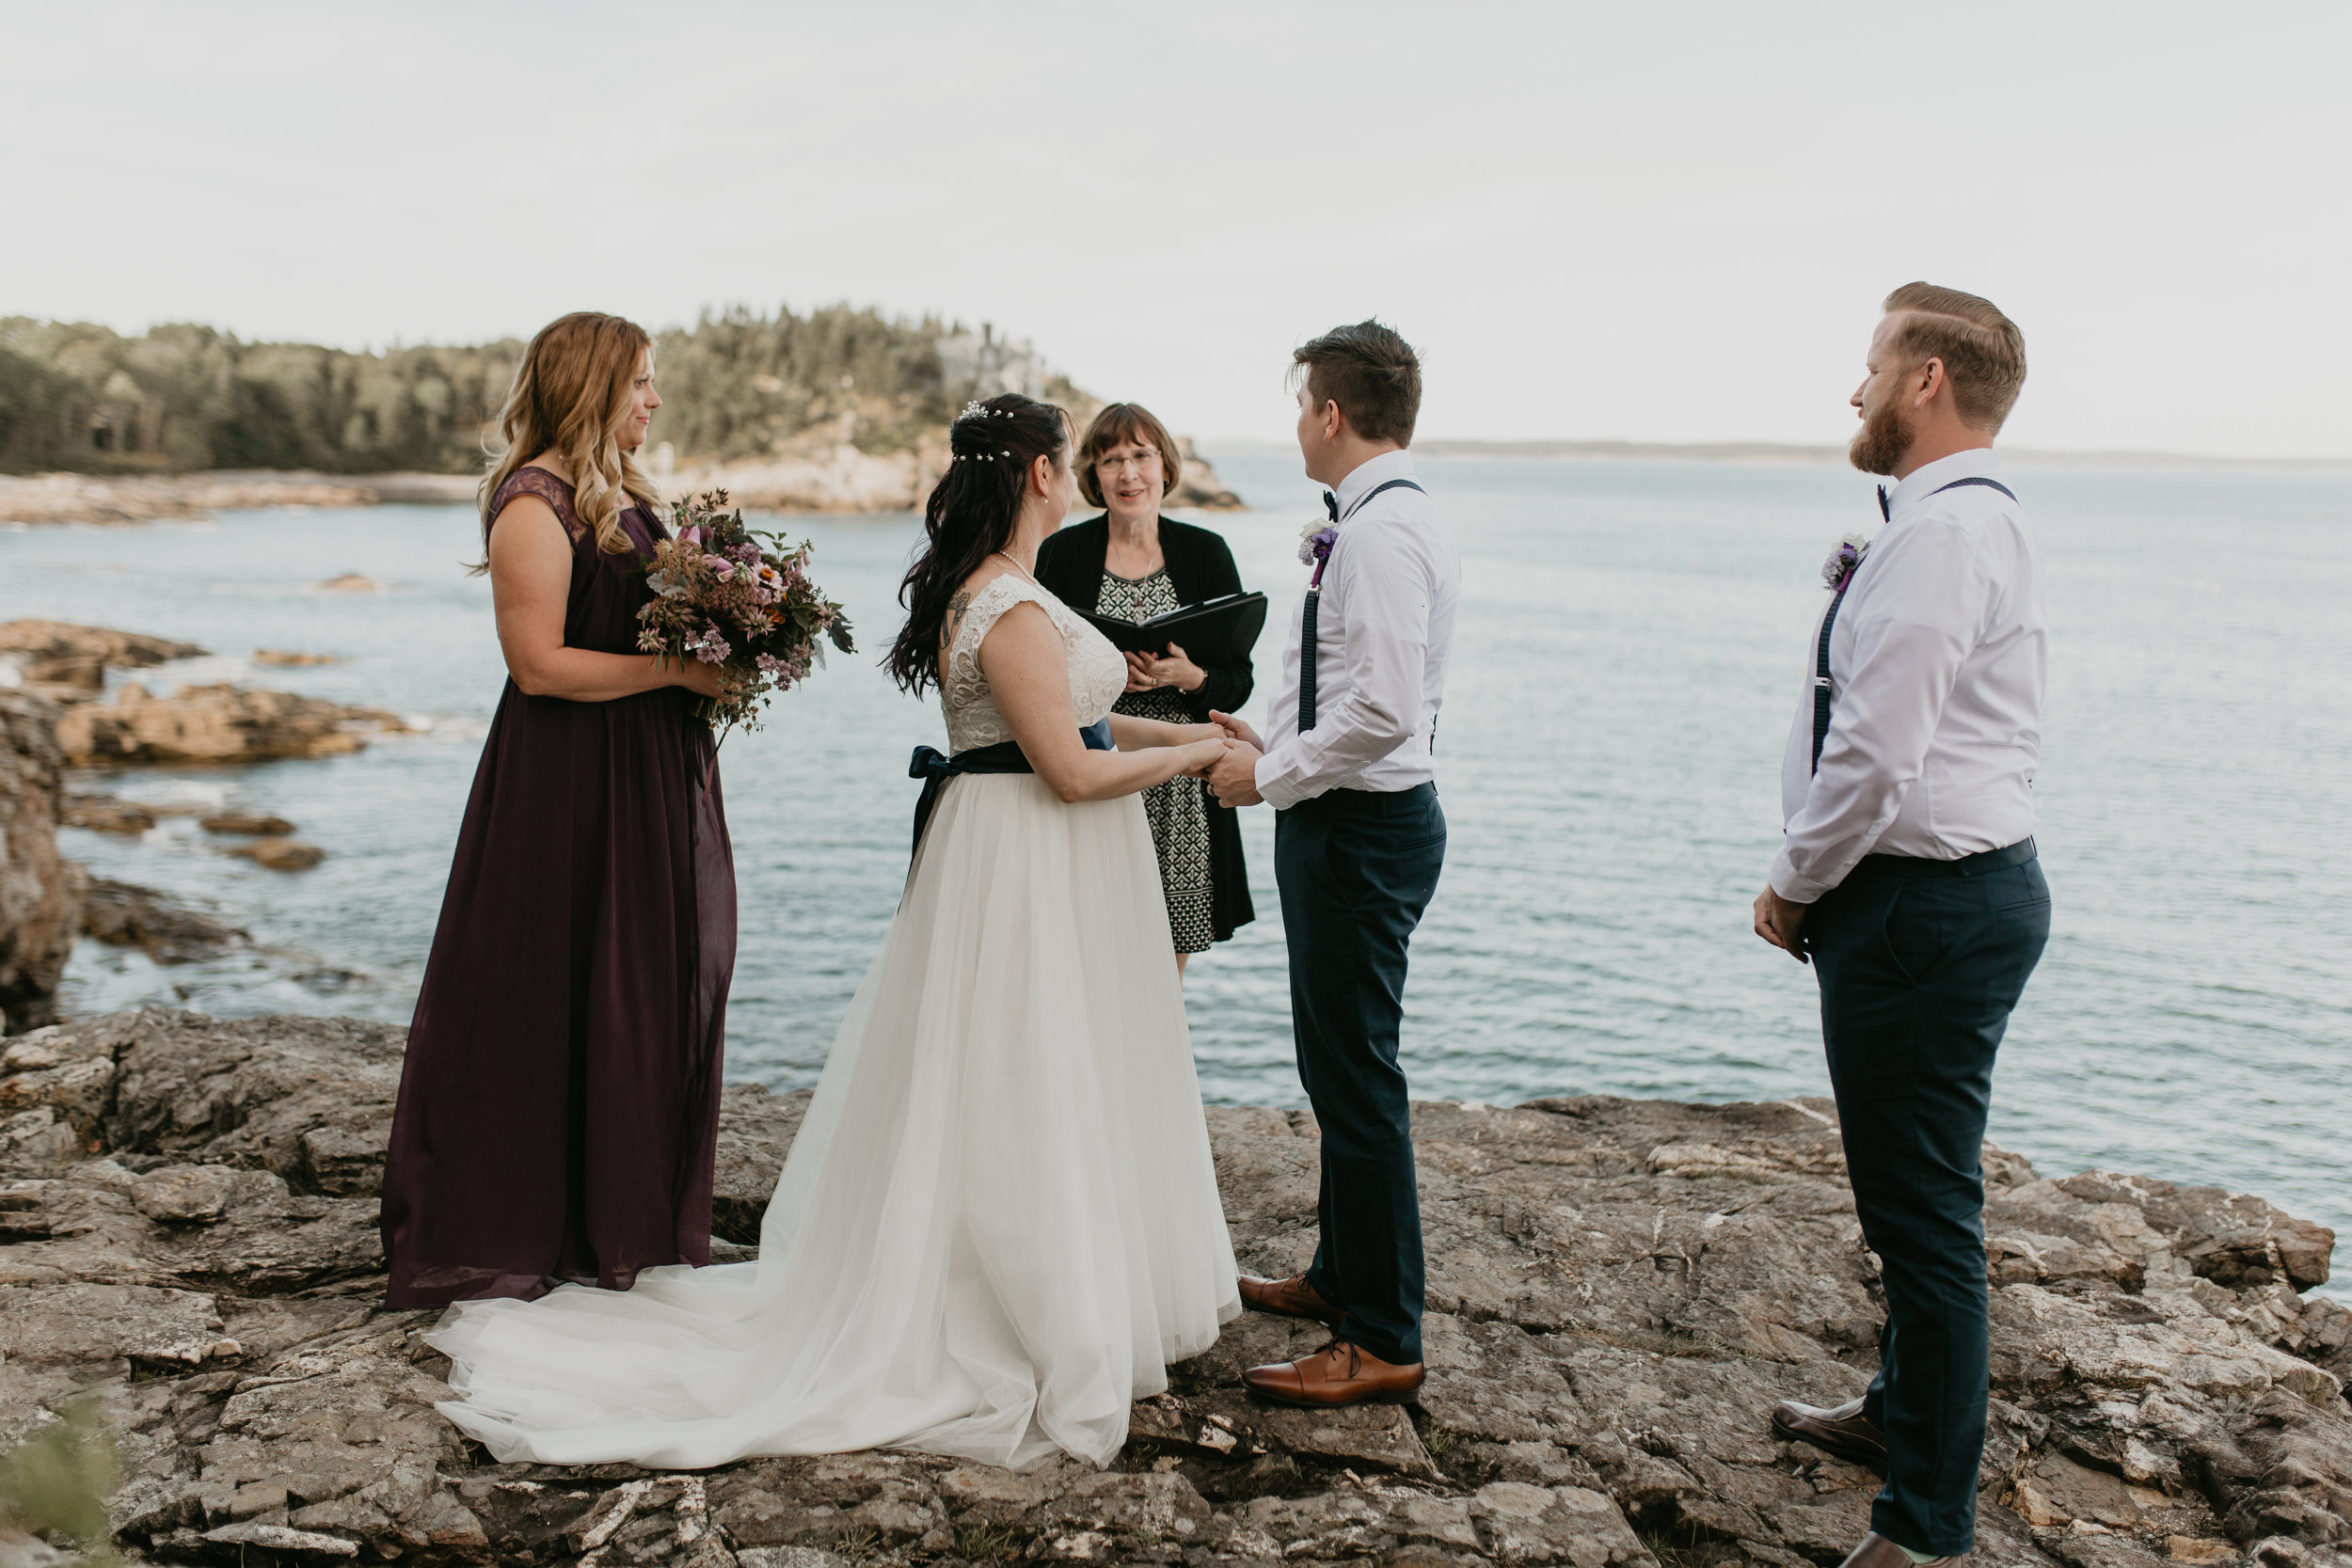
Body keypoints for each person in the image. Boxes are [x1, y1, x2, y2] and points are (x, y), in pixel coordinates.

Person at [424, 394, 1241, 1471]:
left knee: (1042, 1066)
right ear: (1045, 473)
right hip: (1026, 857)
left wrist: (1194, 724)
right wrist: (1197, 761)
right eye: (1070, 459)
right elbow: (1074, 769)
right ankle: (1017, 1306)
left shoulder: (1007, 590)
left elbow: (1079, 717)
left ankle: (1068, 1282)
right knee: (1023, 1070)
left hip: (1035, 855)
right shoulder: (1004, 599)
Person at [1752, 283, 2051, 1568]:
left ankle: (1925, 1530)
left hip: (1918, 906)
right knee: (1911, 1197)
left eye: (1872, 363)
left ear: (1926, 379)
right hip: (1946, 896)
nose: (1855, 386)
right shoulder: (1965, 521)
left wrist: (1792, 883)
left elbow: (1876, 755)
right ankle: (1896, 1413)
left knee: (1924, 1218)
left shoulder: (1939, 538)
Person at [381, 311, 732, 1309]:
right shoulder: (533, 502)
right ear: (589, 387)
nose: (653, 401)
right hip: (570, 778)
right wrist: (679, 669)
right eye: (639, 384)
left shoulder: (626, 497)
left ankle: (619, 1205)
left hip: (644, 770)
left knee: (637, 979)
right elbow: (538, 665)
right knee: (552, 980)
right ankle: (528, 1212)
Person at [1207, 321, 1459, 1408]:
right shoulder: (1372, 522)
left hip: (1360, 827)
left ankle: (1384, 1332)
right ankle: (1341, 1274)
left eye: (1298, 401)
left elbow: (1388, 708)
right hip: (1342, 812)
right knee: (1338, 1069)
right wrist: (1276, 745)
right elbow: (1342, 680)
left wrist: (1268, 779)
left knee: (1358, 1080)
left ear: (1329, 411)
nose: (1294, 423)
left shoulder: (1381, 535)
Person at [1035, 403, 1254, 974]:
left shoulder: (1207, 553)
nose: (1128, 474)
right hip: (1096, 765)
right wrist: (1104, 677)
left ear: (1165, 465)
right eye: (1111, 460)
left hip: (1184, 786)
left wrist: (1195, 678)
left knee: (1165, 964)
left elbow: (1239, 682)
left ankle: (1153, 1064)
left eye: (1140, 456)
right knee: (1085, 944)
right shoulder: (1059, 554)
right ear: (1092, 476)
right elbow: (1033, 669)